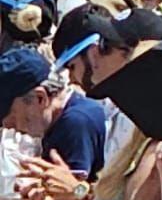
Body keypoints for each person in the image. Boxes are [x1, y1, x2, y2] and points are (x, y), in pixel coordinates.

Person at [0, 47, 105, 181]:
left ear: (40, 98)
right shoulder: (57, 121)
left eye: (12, 115)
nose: (8, 126)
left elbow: (75, 194)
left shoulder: (75, 123)